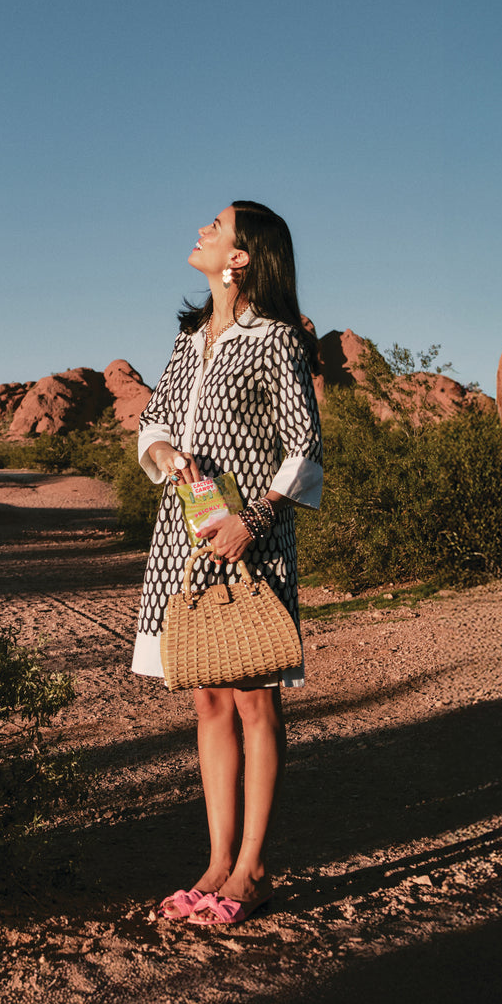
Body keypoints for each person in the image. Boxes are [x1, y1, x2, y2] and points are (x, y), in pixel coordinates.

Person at [133, 200, 323, 926]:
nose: (203, 231)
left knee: (254, 698)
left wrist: (257, 519)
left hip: (252, 536)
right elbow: (154, 420)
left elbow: (303, 445)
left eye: (217, 226)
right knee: (206, 697)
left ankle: (254, 868)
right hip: (183, 537)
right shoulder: (189, 341)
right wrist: (163, 454)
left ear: (240, 258)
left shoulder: (276, 341)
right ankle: (216, 862)